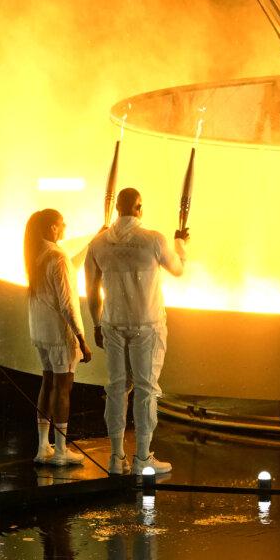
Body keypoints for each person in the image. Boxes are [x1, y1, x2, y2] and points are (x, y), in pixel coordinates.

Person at [85, 187, 187, 475]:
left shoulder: (99, 243)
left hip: (112, 324)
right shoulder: (154, 239)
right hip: (147, 325)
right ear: (139, 207)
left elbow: (91, 290)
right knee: (146, 390)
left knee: (116, 388)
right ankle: (143, 457)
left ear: (117, 208)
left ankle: (116, 458)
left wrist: (96, 323)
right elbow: (178, 269)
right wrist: (181, 245)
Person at [24, 209, 93, 466]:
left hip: (40, 332)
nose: (65, 227)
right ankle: (62, 450)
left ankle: (43, 447)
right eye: (62, 224)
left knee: (47, 383)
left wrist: (93, 239)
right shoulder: (58, 258)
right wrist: (81, 337)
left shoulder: (36, 254)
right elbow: (67, 304)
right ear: (53, 228)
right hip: (59, 333)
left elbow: (70, 258)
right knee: (64, 388)